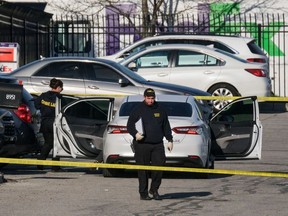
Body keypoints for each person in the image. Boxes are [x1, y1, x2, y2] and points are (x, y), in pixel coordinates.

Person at [127, 88, 173, 201]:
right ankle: (143, 193)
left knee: (159, 167)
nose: (150, 101)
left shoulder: (160, 109)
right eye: (148, 98)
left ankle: (154, 189)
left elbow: (166, 126)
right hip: (142, 144)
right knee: (143, 170)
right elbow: (130, 125)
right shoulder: (138, 109)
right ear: (144, 97)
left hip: (157, 144)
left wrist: (170, 139)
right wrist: (135, 134)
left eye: (152, 98)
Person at [34, 78, 64, 172]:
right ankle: (55, 166)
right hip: (55, 123)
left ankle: (40, 163)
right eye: (61, 88)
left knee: (48, 143)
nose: (61, 90)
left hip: (45, 123)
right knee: (56, 144)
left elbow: (36, 105)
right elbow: (65, 110)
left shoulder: (43, 96)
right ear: (58, 87)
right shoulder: (59, 98)